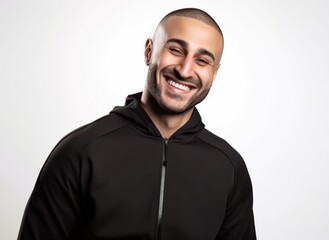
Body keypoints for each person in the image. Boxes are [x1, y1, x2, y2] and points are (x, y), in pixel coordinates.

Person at [18, 8, 256, 240]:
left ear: (214, 73)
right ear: (149, 51)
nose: (185, 70)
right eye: (175, 49)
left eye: (202, 60)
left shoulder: (229, 167)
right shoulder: (81, 150)